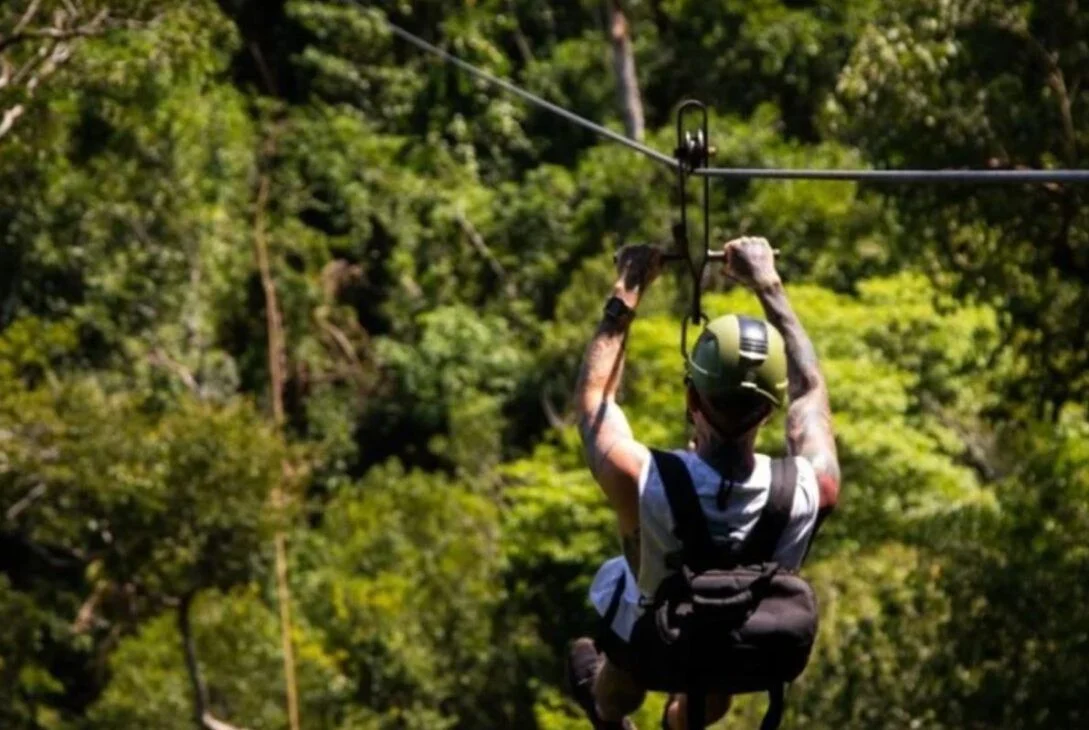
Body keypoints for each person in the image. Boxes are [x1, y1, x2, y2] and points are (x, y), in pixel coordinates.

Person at [566, 236, 840, 729]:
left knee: (621, 659)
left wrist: (627, 289)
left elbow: (593, 403)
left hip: (655, 645)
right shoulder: (811, 488)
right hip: (739, 653)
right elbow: (811, 391)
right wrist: (769, 285)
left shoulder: (643, 478)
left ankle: (607, 713)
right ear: (771, 407)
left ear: (693, 400)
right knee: (716, 676)